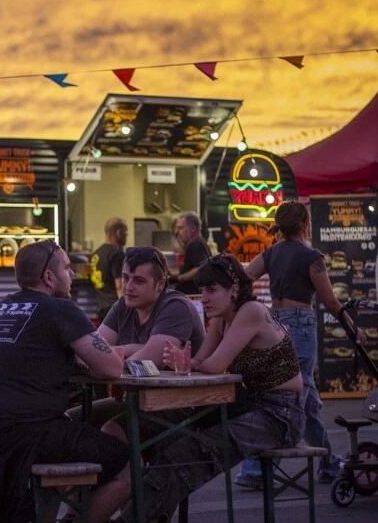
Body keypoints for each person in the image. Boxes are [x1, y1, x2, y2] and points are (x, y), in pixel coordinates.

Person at [102, 254, 306, 522]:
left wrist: (190, 363)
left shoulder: (251, 312)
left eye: (211, 290)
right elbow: (199, 361)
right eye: (202, 290)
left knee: (189, 453)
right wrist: (186, 361)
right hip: (245, 404)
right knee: (171, 441)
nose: (204, 297)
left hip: (280, 414)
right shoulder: (222, 319)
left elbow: (212, 365)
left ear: (233, 291)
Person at [0, 240, 130, 523]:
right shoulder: (60, 309)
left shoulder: (3, 308)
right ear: (49, 278)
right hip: (21, 433)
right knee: (124, 460)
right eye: (67, 268)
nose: (72, 275)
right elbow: (111, 368)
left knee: (66, 444)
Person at [235, 200, 365, 488]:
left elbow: (244, 279)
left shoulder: (270, 253)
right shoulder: (311, 257)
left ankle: (328, 461)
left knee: (305, 397)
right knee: (296, 395)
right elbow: (331, 301)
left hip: (275, 323)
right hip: (301, 323)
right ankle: (256, 469)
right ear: (306, 224)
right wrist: (354, 328)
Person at [68, 246, 207, 427]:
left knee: (112, 429)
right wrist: (129, 352)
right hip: (140, 399)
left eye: (139, 281)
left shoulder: (176, 307)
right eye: (126, 278)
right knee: (70, 421)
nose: (128, 287)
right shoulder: (122, 306)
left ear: (160, 284)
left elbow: (146, 365)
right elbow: (89, 353)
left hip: (184, 406)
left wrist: (119, 353)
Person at [90, 217, 128, 321]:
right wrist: (127, 311)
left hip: (101, 310)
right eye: (126, 233)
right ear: (119, 233)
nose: (126, 237)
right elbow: (120, 286)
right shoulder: (117, 254)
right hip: (115, 310)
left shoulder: (96, 254)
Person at [172, 211, 211, 295]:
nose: (177, 232)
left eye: (180, 228)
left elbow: (201, 268)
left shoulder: (196, 245)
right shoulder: (195, 244)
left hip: (192, 295)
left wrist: (179, 278)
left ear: (193, 228)